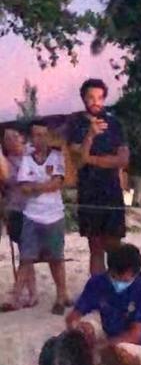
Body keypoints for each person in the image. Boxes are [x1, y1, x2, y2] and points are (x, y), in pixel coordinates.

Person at [66, 243, 141, 365]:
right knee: (85, 330)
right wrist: (77, 329)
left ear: (135, 273)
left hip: (135, 350)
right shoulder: (98, 283)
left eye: (124, 278)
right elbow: (73, 316)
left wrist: (105, 345)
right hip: (105, 345)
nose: (118, 281)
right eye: (114, 276)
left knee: (122, 350)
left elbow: (136, 334)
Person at [68, 79, 129, 275]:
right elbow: (77, 160)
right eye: (91, 97)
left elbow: (123, 159)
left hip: (111, 190)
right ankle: (98, 291)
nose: (96, 102)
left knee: (114, 246)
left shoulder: (114, 123)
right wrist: (90, 136)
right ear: (84, 98)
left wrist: (91, 159)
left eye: (99, 97)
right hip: (89, 192)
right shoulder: (76, 124)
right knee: (95, 247)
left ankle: (117, 291)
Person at [9, 120, 69, 315]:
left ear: (49, 136)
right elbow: (24, 187)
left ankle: (61, 295)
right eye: (35, 135)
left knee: (56, 258)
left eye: (43, 135)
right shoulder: (27, 159)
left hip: (53, 215)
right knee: (26, 258)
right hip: (32, 214)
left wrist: (36, 186)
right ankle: (16, 297)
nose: (39, 139)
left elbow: (57, 183)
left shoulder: (57, 156)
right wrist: (43, 185)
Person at [1, 128, 38, 309]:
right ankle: (32, 293)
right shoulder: (6, 161)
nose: (11, 141)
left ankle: (16, 295)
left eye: (14, 137)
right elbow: (7, 180)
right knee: (25, 251)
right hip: (15, 209)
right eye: (7, 139)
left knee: (27, 252)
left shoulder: (33, 154)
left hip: (34, 209)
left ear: (22, 138)